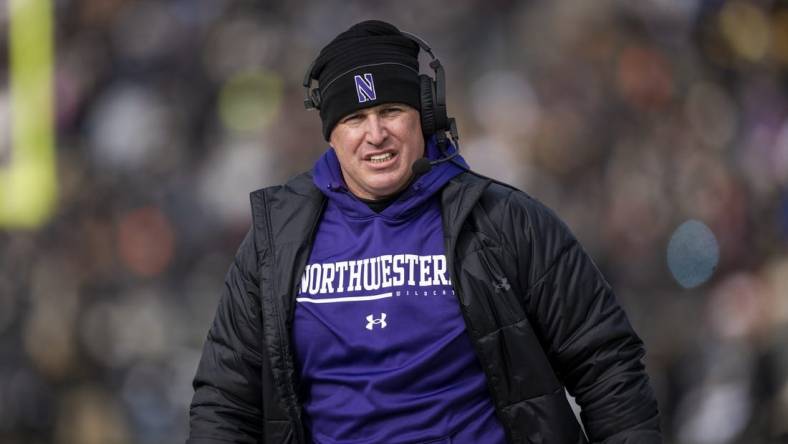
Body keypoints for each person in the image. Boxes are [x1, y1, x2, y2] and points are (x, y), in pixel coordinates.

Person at [187, 20, 661, 444]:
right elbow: (226, 402)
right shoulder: (275, 242)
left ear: (426, 115)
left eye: (390, 110)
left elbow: (606, 363)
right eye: (354, 119)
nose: (375, 134)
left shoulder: (507, 221)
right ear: (331, 134)